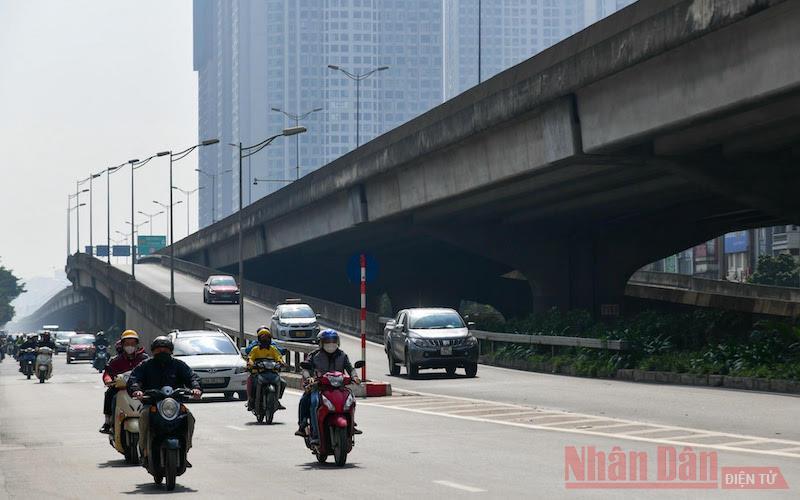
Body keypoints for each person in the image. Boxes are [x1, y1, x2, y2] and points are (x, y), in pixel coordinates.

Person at [127, 336, 202, 465]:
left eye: (165, 349)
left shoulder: (178, 365)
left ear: (171, 350)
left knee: (189, 417)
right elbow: (134, 378)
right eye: (158, 349)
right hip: (152, 404)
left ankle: (186, 449)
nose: (162, 351)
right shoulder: (146, 365)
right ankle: (144, 450)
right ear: (153, 351)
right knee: (144, 417)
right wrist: (136, 390)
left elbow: (192, 377)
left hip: (175, 405)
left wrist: (196, 388)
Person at [295, 329, 361, 444]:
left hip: (339, 388)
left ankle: (351, 425)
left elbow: (350, 368)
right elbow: (305, 369)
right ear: (321, 343)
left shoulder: (342, 355)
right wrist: (309, 378)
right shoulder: (314, 355)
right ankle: (307, 429)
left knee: (351, 400)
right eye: (327, 342)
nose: (331, 344)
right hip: (319, 387)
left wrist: (355, 377)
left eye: (333, 341)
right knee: (308, 401)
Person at [99, 330, 148, 434]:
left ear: (136, 344)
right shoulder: (115, 360)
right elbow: (108, 373)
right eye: (127, 344)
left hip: (140, 388)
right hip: (120, 388)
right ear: (122, 345)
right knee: (109, 395)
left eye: (132, 343)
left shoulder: (144, 359)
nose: (130, 346)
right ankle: (108, 422)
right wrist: (108, 380)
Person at [246, 326, 286, 411]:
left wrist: (281, 363)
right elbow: (250, 358)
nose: (265, 339)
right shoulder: (255, 349)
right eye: (263, 337)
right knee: (253, 383)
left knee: (283, 383)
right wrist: (251, 364)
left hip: (272, 372)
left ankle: (276, 399)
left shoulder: (273, 348)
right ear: (259, 338)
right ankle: (251, 400)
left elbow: (279, 357)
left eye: (267, 337)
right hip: (258, 373)